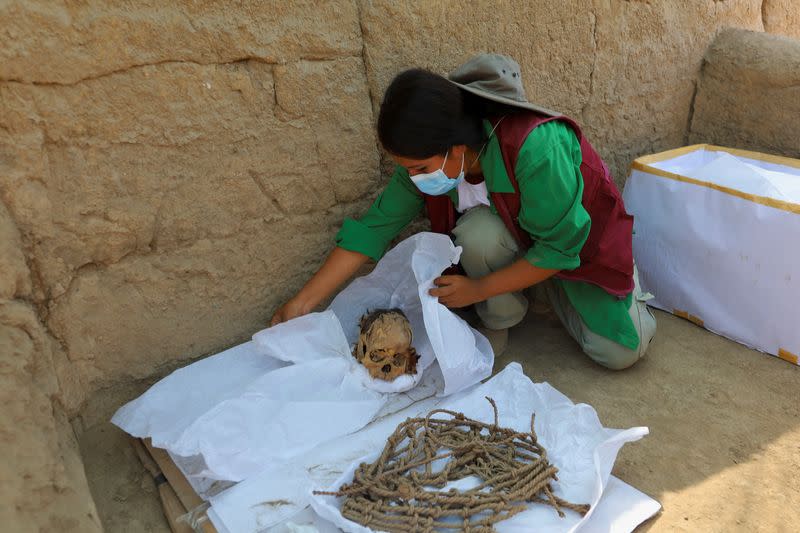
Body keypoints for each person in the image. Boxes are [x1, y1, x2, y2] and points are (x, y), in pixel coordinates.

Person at [271, 53, 656, 369]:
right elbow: (373, 228)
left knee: (620, 353)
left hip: (578, 250)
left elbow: (559, 247)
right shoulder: (428, 159)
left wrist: (477, 289)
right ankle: (503, 317)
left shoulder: (536, 148)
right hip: (525, 247)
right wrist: (303, 303)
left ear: (457, 148)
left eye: (419, 168)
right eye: (407, 168)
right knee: (478, 236)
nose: (413, 178)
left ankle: (560, 286)